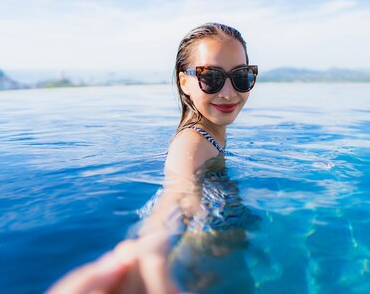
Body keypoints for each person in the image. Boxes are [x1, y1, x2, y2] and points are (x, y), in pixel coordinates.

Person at [47, 22, 258, 294]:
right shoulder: (192, 141)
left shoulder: (209, 135)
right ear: (184, 82)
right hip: (194, 257)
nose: (228, 92)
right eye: (211, 77)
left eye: (240, 76)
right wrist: (151, 251)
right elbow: (179, 194)